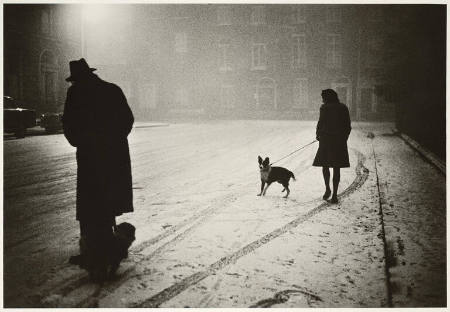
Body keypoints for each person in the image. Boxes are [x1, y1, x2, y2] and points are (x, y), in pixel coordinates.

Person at [62, 58, 134, 282]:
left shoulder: (75, 94)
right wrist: (114, 140)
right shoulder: (112, 90)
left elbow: (69, 125)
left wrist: (80, 141)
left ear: (79, 79)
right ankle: (108, 246)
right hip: (113, 156)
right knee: (108, 200)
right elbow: (127, 119)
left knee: (90, 201)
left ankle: (92, 250)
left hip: (90, 155)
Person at [312, 89, 351, 204]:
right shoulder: (343, 107)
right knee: (336, 167)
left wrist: (318, 135)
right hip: (339, 142)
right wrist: (343, 138)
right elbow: (347, 126)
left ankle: (328, 189)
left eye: (323, 97)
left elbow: (320, 123)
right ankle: (334, 194)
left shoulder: (324, 108)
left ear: (327, 97)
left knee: (325, 166)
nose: (322, 99)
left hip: (326, 140)